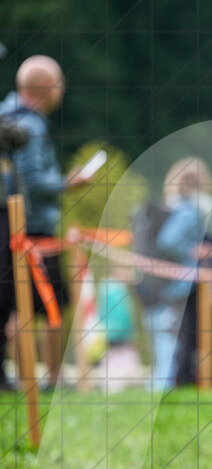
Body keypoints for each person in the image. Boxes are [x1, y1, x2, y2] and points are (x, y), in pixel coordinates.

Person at [0, 55, 91, 389]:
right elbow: (30, 180)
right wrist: (68, 183)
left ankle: (19, 377)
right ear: (46, 88)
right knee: (51, 306)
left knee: (13, 306)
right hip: (34, 230)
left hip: (10, 228)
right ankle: (49, 380)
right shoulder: (30, 126)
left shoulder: (5, 114)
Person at [141, 157, 212, 390]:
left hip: (164, 286)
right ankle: (166, 388)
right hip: (180, 286)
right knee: (174, 343)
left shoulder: (172, 206)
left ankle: (167, 387)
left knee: (168, 342)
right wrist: (192, 251)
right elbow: (169, 240)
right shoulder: (189, 210)